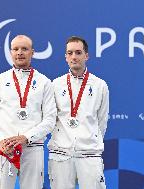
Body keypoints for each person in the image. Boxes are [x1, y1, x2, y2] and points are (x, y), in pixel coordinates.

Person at [0, 35, 57, 189]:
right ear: (10, 52)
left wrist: (26, 138)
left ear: (33, 52)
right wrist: (0, 141)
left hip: (32, 150)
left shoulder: (45, 82)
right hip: (5, 149)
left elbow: (50, 120)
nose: (20, 52)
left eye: (24, 49)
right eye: (16, 49)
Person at [48, 36, 109, 189]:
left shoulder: (99, 85)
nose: (74, 57)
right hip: (61, 154)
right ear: (65, 57)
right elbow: (50, 119)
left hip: (89, 155)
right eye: (70, 53)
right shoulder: (55, 84)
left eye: (78, 52)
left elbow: (101, 121)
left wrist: (89, 141)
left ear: (86, 56)